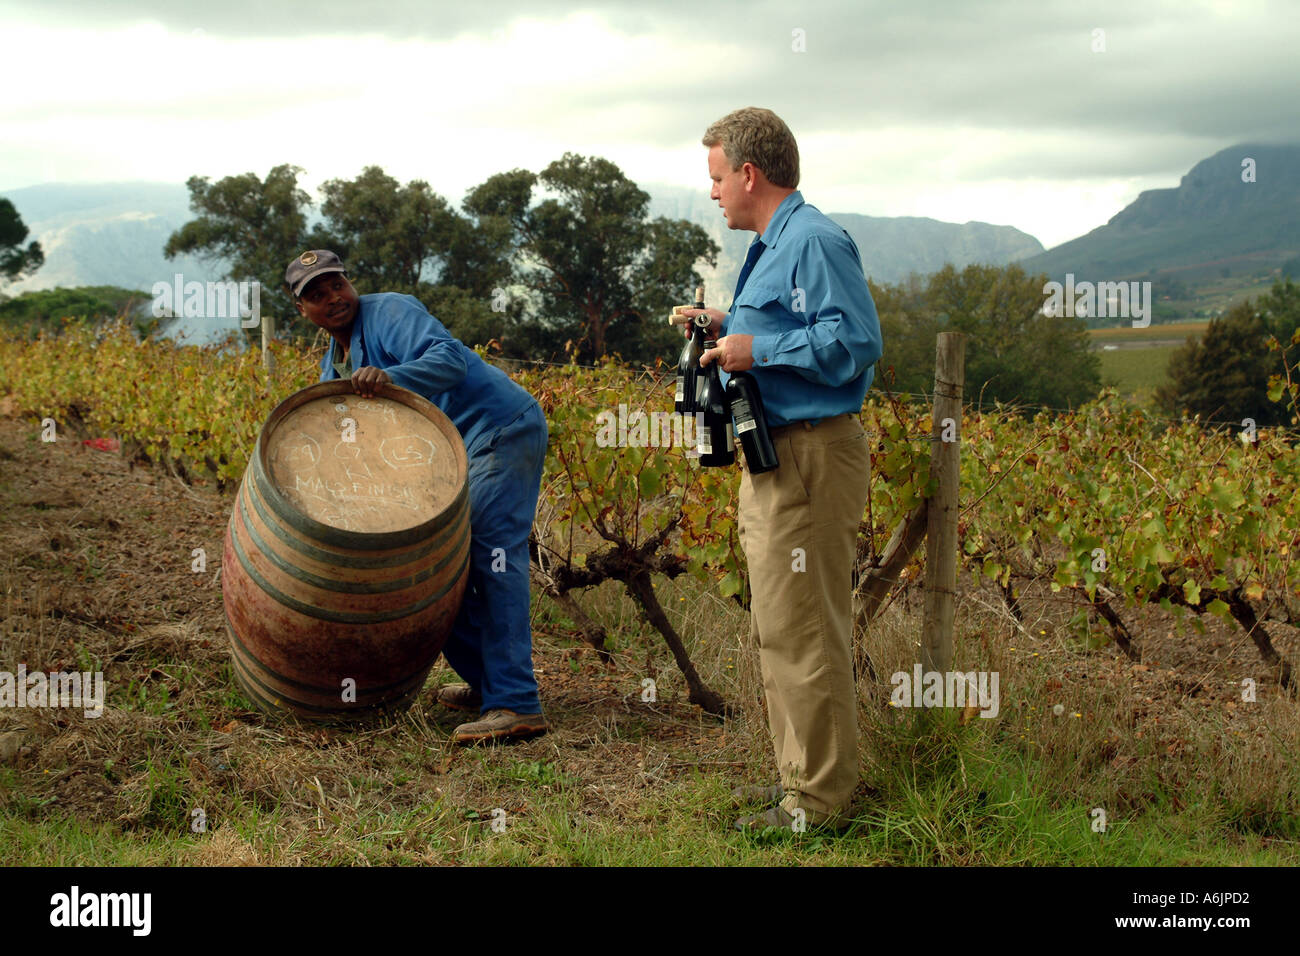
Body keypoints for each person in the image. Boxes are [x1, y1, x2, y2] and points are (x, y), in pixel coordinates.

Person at [681, 109, 883, 832]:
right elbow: (790, 325)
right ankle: (800, 783)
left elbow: (854, 341)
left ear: (748, 174)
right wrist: (722, 326)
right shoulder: (777, 243)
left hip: (809, 455)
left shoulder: (815, 238)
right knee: (780, 627)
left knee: (806, 631)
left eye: (715, 178)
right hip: (780, 453)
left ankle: (820, 807)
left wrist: (755, 353)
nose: (713, 194)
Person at [285, 250, 549, 744]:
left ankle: (516, 703)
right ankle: (490, 685)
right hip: (449, 460)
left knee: (492, 557)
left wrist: (390, 379)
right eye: (316, 295)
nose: (333, 299)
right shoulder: (332, 369)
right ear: (302, 311)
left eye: (336, 285)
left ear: (349, 283)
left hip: (499, 429)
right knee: (437, 569)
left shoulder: (388, 311)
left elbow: (449, 357)